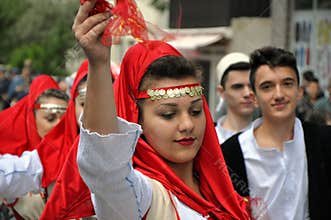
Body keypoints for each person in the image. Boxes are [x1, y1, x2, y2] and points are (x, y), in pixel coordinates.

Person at [74, 1, 250, 219]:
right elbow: (104, 168)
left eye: (195, 111)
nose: (187, 125)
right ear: (137, 121)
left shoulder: (223, 190)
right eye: (168, 114)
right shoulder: (140, 197)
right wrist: (99, 63)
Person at [221, 46, 331, 219]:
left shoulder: (323, 141)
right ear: (254, 98)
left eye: (287, 84)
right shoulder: (231, 154)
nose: (279, 94)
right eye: (267, 87)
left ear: (299, 92)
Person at [0, 74, 69, 219]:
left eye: (64, 121)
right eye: (50, 118)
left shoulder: (77, 154)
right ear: (32, 117)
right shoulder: (13, 161)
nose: (58, 125)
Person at [215, 52, 255, 144]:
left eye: (251, 86)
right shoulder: (208, 139)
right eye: (238, 87)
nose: (247, 93)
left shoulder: (268, 138)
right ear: (221, 92)